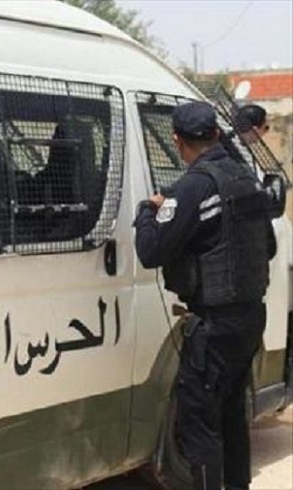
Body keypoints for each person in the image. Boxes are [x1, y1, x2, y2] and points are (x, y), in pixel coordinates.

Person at [133, 101, 275, 490]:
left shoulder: (193, 187)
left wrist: (147, 211)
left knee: (199, 423)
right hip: (249, 318)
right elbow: (268, 246)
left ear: (177, 141)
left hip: (214, 325)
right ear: (215, 133)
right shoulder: (247, 180)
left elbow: (151, 251)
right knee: (232, 416)